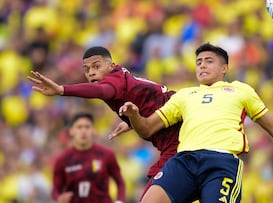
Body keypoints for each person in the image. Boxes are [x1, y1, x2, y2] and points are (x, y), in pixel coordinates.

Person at [119, 43, 273, 203]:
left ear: (225, 68)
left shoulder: (241, 90)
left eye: (209, 61)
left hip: (220, 163)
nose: (202, 66)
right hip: (184, 161)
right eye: (198, 62)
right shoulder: (185, 95)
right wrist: (134, 116)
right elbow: (147, 129)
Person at [27, 46, 181, 201]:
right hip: (175, 131)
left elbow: (102, 91)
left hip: (176, 139)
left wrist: (62, 90)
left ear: (111, 66)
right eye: (86, 70)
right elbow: (150, 101)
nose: (91, 72)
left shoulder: (112, 82)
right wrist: (132, 123)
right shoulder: (120, 78)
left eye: (96, 66)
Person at [51, 112, 126, 203]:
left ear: (93, 130)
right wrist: (59, 198)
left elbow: (120, 182)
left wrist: (119, 201)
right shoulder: (62, 160)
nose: (83, 131)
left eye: (87, 127)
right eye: (79, 127)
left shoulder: (106, 155)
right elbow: (55, 188)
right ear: (71, 131)